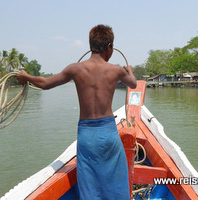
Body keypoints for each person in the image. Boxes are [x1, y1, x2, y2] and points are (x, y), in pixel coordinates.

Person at [17, 24, 137, 200]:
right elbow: (133, 84)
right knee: (115, 181)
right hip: (108, 134)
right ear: (109, 47)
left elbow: (45, 83)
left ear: (91, 45)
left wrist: (26, 76)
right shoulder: (116, 70)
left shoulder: (75, 69)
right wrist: (130, 71)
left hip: (87, 136)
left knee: (89, 184)